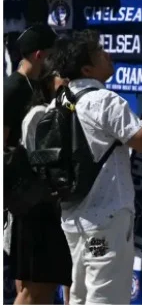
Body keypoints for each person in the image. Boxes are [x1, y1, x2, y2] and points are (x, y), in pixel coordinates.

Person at [49, 30, 142, 305]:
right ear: (87, 69)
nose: (108, 54)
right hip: (105, 222)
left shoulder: (59, 102)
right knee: (106, 298)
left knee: (79, 297)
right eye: (100, 52)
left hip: (72, 219)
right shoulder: (104, 101)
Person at [5, 26, 71, 304]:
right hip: (24, 200)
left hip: (38, 198)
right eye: (52, 55)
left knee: (32, 285)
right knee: (34, 288)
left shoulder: (36, 88)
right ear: (40, 55)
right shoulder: (13, 88)